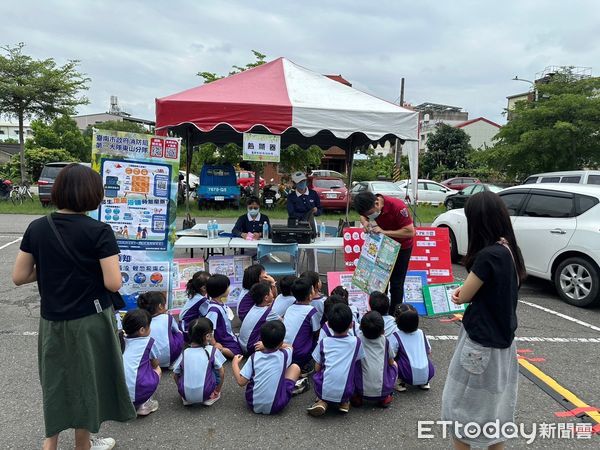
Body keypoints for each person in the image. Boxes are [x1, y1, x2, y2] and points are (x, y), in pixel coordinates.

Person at [12, 163, 135, 450]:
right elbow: (113, 283)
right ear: (93, 194)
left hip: (51, 320)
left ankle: (50, 443)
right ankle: (84, 445)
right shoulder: (99, 231)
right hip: (89, 320)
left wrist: (49, 268)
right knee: (86, 383)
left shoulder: (38, 227)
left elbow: (19, 277)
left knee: (56, 382)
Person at [441, 191, 525, 450]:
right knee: (493, 412)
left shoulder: (488, 255)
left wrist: (457, 294)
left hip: (479, 344)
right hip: (503, 343)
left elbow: (463, 295)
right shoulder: (508, 249)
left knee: (460, 410)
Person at [354, 191, 415, 315]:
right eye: (368, 215)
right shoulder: (368, 206)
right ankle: (380, 313)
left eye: (371, 214)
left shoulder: (398, 207)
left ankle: (395, 314)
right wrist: (365, 223)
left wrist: (384, 232)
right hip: (382, 246)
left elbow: (410, 232)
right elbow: (363, 216)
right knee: (379, 281)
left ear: (377, 203)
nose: (371, 217)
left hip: (401, 248)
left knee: (396, 283)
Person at [232, 321, 306, 415]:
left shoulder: (254, 357)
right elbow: (290, 347)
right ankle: (287, 389)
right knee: (295, 367)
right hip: (276, 406)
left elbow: (241, 381)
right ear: (281, 343)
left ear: (261, 339)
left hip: (253, 403)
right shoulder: (285, 355)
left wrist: (235, 364)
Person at [307, 304, 365, 416]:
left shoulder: (324, 342)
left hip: (323, 389)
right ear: (350, 325)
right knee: (351, 372)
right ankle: (344, 402)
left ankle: (322, 401)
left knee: (321, 375)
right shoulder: (356, 342)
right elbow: (358, 362)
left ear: (329, 325)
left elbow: (317, 367)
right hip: (347, 390)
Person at [173, 317, 226, 406]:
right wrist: (217, 390)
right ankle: (213, 396)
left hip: (185, 394)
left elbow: (175, 375)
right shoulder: (212, 350)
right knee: (216, 369)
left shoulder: (184, 352)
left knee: (182, 370)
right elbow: (222, 372)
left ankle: (187, 397)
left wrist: (181, 389)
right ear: (207, 336)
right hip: (206, 392)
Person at [352, 311, 398, 407]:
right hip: (383, 389)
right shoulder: (385, 341)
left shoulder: (357, 340)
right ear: (383, 331)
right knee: (395, 365)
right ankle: (385, 397)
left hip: (360, 388)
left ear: (361, 328)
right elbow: (391, 361)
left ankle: (357, 397)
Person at [122, 309, 161, 416]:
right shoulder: (148, 342)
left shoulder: (120, 340)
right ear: (142, 330)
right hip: (137, 393)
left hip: (119, 393)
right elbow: (155, 364)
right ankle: (145, 403)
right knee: (157, 370)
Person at [393, 304, 435, 392]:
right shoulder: (421, 333)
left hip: (407, 374)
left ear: (398, 321)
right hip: (428, 372)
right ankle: (424, 383)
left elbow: (391, 354)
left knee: (393, 358)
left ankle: (400, 382)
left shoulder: (396, 336)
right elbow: (428, 351)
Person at [137, 292, 184, 368]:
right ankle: (175, 361)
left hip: (150, 360)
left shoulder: (140, 321)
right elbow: (177, 331)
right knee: (179, 334)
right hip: (170, 357)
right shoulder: (167, 318)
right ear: (160, 306)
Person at [283, 278, 320, 370]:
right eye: (312, 290)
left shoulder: (290, 308)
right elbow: (316, 332)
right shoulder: (312, 311)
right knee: (318, 338)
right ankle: (306, 365)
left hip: (284, 350)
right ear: (309, 296)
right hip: (299, 355)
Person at [287, 171, 321, 270]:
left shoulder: (313, 194)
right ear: (294, 183)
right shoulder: (291, 197)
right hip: (296, 225)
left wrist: (315, 211)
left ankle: (313, 274)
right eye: (299, 182)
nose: (302, 183)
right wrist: (307, 212)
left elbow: (320, 209)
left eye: (303, 181)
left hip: (311, 225)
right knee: (296, 250)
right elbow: (291, 213)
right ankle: (293, 273)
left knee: (312, 251)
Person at [205, 274, 242, 358]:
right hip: (222, 337)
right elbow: (208, 328)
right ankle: (219, 350)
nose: (229, 288)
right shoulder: (214, 310)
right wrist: (214, 343)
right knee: (237, 353)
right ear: (221, 291)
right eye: (228, 286)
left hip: (226, 333)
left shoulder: (219, 303)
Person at [238, 282, 280, 355]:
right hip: (251, 347)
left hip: (241, 344)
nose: (272, 294)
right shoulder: (268, 312)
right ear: (266, 298)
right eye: (270, 292)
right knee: (277, 330)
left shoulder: (254, 307)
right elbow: (282, 322)